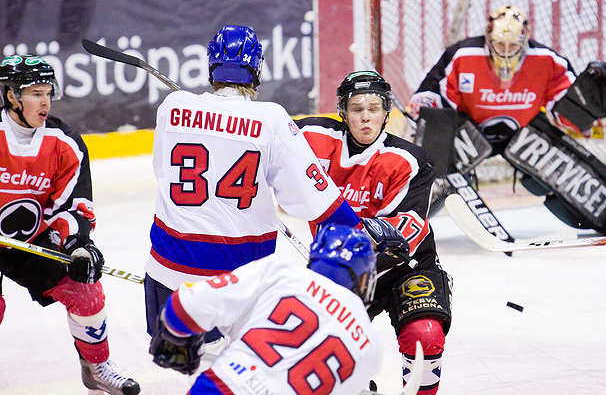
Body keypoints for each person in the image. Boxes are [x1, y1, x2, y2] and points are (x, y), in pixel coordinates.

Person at [144, 25, 361, 343]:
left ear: (211, 66)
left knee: (193, 367)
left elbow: (162, 170)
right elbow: (313, 196)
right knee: (249, 370)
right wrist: (358, 228)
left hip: (167, 274)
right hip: (237, 282)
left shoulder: (172, 108)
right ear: (257, 69)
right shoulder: (270, 118)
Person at [409, 4, 606, 236]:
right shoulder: (462, 55)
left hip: (524, 134)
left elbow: (565, 113)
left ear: (525, 40)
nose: (507, 51)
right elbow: (429, 98)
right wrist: (425, 121)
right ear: (488, 38)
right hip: (470, 133)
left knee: (562, 164)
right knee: (433, 158)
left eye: (513, 45)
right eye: (500, 44)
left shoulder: (547, 61)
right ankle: (405, 216)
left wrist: (592, 113)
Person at [296, 71, 452, 395]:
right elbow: (264, 140)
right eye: (356, 108)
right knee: (319, 348)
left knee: (425, 333)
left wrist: (342, 237)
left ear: (386, 112)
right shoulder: (312, 135)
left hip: (403, 266)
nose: (366, 116)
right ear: (342, 111)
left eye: (374, 107)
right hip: (342, 271)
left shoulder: (410, 161)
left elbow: (405, 229)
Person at [0, 54, 140, 395]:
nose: (44, 100)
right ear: (11, 97)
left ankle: (97, 368)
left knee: (85, 288)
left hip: (29, 242)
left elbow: (73, 206)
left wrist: (78, 244)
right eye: (34, 93)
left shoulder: (65, 143)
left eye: (47, 91)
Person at [149, 224, 381, 395]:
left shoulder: (281, 272)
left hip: (223, 387)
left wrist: (176, 337)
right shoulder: (371, 345)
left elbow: (184, 307)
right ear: (363, 279)